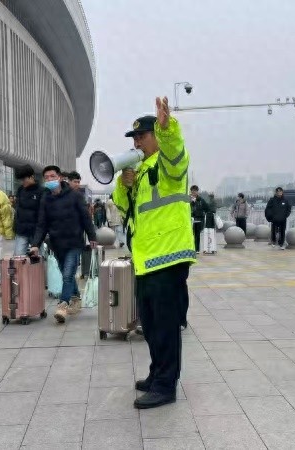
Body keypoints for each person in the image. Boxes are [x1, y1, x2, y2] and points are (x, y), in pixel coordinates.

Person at [112, 98, 196, 409]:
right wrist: (124, 185)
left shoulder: (168, 166)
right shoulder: (139, 169)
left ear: (156, 137)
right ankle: (156, 372)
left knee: (164, 324)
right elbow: (124, 209)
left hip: (170, 255)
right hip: (146, 258)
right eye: (134, 137)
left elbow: (175, 153)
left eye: (142, 136)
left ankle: (165, 385)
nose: (136, 142)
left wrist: (167, 128)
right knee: (149, 320)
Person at [29, 173, 96, 323]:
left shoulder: (74, 196)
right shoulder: (45, 199)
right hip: (57, 244)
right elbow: (41, 224)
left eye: (52, 176)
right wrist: (35, 244)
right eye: (46, 178)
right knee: (68, 274)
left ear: (60, 178)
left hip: (74, 242)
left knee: (67, 274)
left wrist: (92, 236)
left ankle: (62, 305)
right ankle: (76, 299)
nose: (49, 180)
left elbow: (85, 217)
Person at [12, 165, 45, 256]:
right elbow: (18, 209)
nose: (22, 182)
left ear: (32, 176)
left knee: (39, 258)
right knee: (18, 257)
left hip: (36, 232)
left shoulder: (42, 191)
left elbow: (42, 214)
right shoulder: (20, 190)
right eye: (20, 180)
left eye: (24, 179)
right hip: (22, 231)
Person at [189, 185, 210, 252]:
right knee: (191, 235)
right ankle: (191, 248)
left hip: (199, 220)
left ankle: (197, 249)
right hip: (190, 219)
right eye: (192, 191)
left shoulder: (201, 200)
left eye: (195, 191)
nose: (193, 192)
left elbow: (207, 208)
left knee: (197, 235)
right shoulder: (188, 199)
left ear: (197, 192)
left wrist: (204, 214)